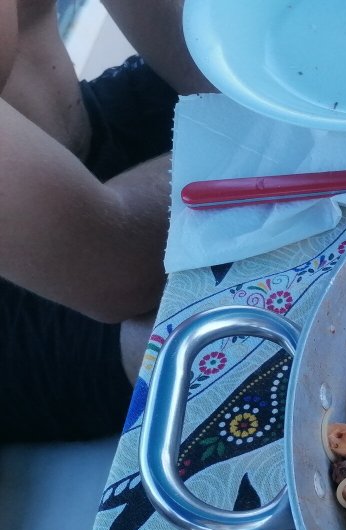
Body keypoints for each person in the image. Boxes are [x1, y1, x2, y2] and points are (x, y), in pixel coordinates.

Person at [0, 0, 213, 443]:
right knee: (201, 332)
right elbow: (119, 267)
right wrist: (284, 143)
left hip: (86, 129)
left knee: (316, 64)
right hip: (20, 303)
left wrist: (278, 106)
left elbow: (202, 61)